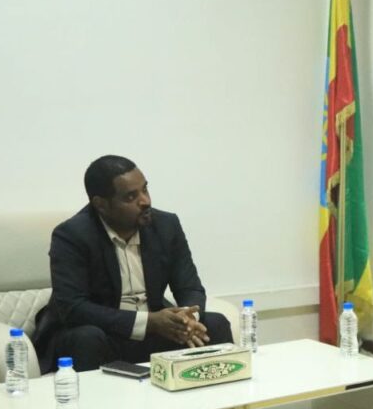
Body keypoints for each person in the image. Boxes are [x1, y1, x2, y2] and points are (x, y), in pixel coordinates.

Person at [33, 155, 232, 372]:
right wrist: (149, 322)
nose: (145, 201)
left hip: (153, 332)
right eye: (131, 197)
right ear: (101, 204)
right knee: (87, 337)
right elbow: (74, 308)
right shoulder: (72, 235)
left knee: (215, 324)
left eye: (145, 189)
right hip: (103, 333)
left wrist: (187, 319)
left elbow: (189, 287)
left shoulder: (166, 225)